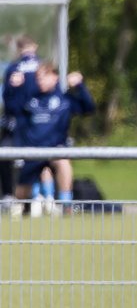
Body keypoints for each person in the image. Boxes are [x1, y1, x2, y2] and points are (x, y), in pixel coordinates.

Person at [11, 62, 95, 216]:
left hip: (55, 149)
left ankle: (66, 205)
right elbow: (12, 108)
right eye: (38, 77)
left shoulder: (65, 100)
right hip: (33, 152)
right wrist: (15, 88)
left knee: (63, 162)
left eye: (44, 76)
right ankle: (28, 204)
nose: (40, 80)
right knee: (20, 198)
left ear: (55, 77)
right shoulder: (31, 99)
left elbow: (89, 108)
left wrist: (80, 86)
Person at [1, 35, 41, 204]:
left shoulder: (15, 67)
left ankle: (12, 194)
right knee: (10, 156)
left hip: (25, 123)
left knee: (7, 156)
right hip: (33, 123)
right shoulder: (39, 66)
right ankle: (34, 196)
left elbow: (7, 98)